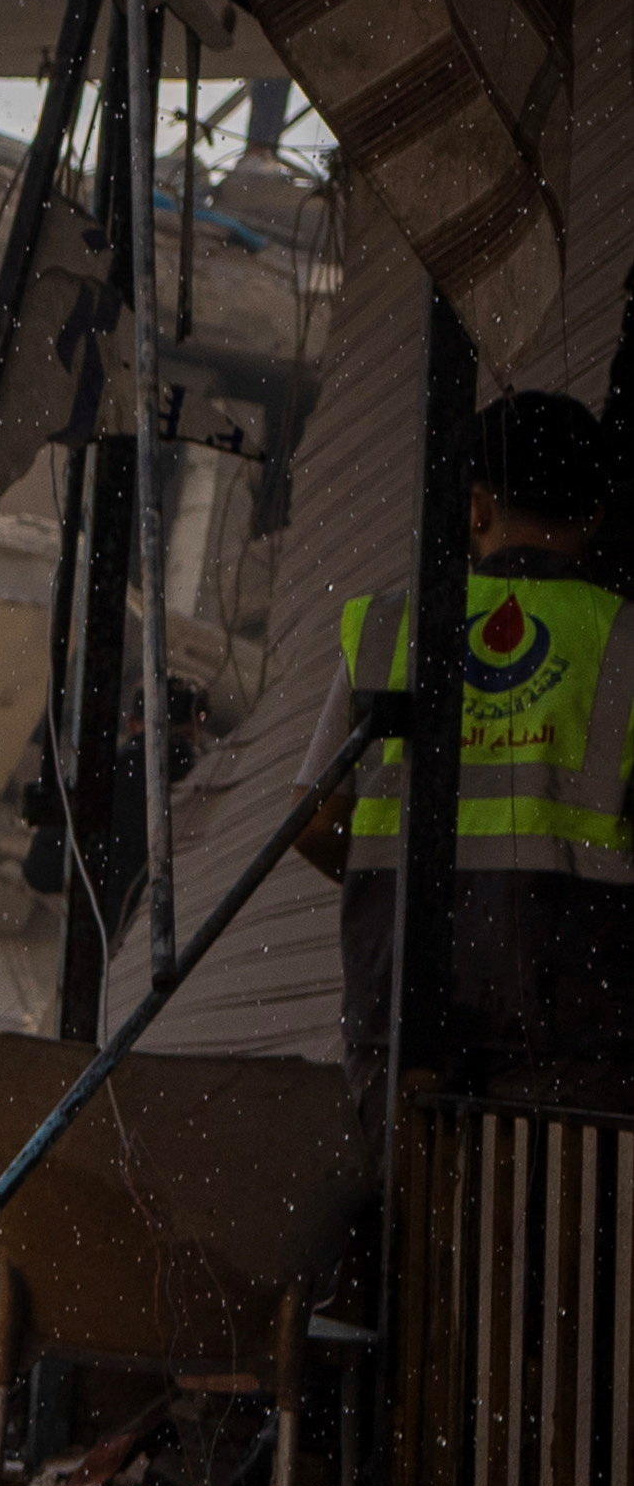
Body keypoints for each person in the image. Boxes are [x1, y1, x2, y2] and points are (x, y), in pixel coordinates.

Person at [286, 390, 634, 1112]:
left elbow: (314, 822)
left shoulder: (391, 627)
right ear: (595, 516)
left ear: (475, 507)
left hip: (402, 1016)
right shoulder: (624, 641)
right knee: (543, 1220)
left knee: (414, 1214)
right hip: (568, 1033)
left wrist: (414, 891)